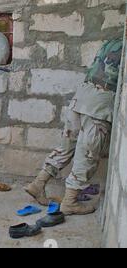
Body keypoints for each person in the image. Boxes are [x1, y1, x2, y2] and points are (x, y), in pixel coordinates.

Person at [24, 37, 123, 215]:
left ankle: (38, 184)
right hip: (99, 105)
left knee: (65, 148)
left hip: (81, 98)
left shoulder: (112, 41)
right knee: (87, 155)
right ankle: (70, 202)